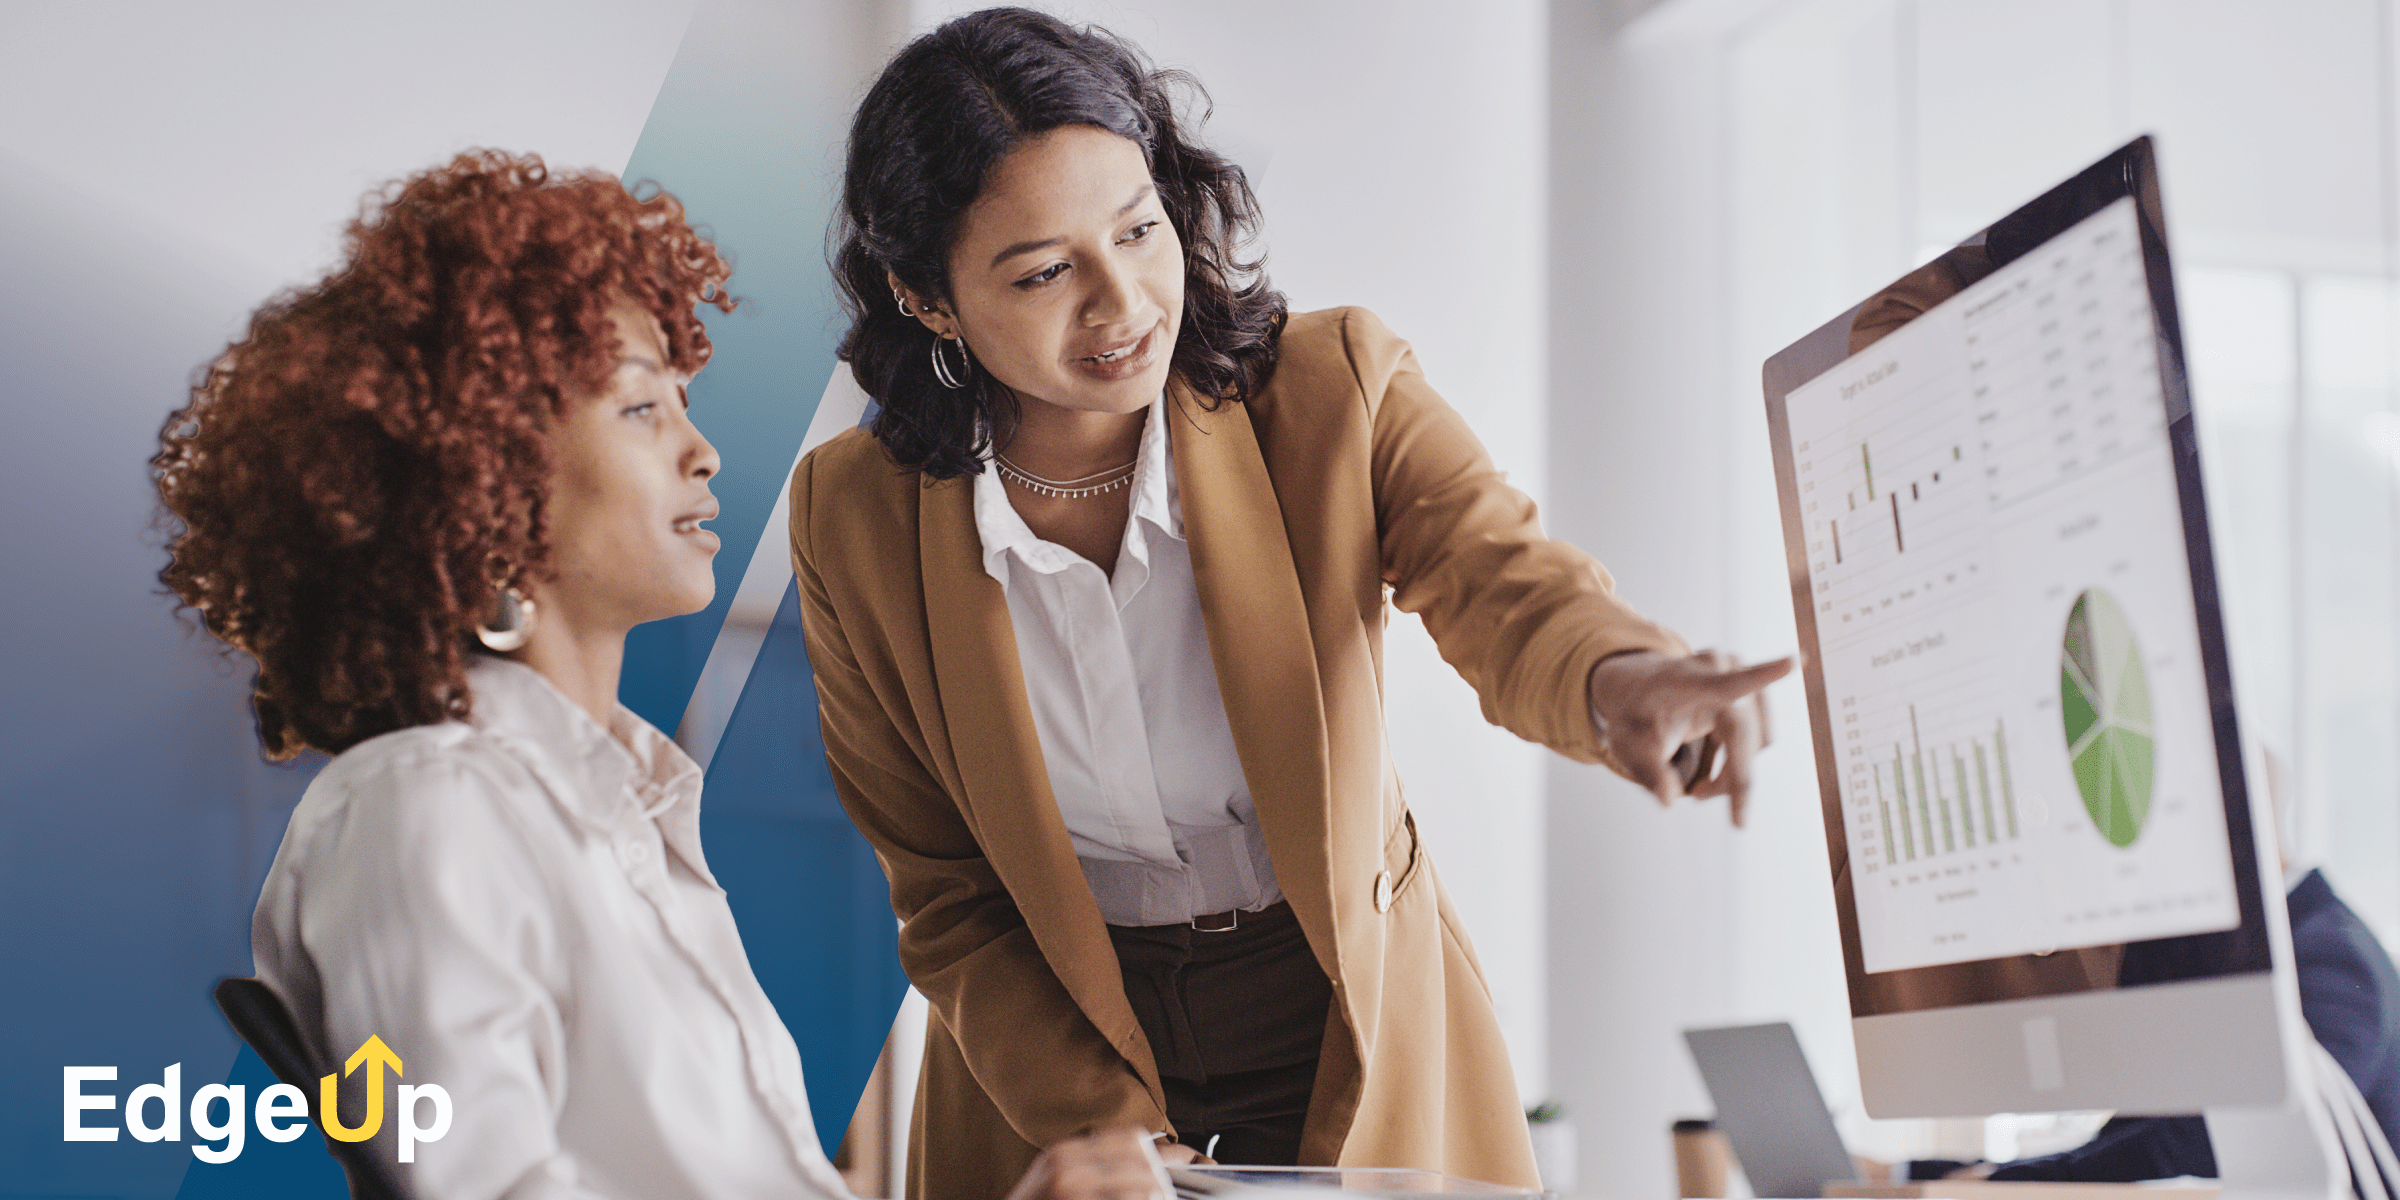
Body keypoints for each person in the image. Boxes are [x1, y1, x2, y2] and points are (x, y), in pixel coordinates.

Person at [788, 9, 1793, 1198]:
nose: (1122, 304)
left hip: (1342, 1015)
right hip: (1048, 1052)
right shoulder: (854, 518)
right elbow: (948, 892)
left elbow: (1499, 575)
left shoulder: (1331, 388)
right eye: (1047, 271)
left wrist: (1616, 676)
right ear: (928, 297)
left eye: (1139, 229)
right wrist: (1107, 1131)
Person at [153, 149, 1169, 1200]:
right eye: (643, 410)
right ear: (482, 481)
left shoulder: (623, 813)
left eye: (684, 400)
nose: (704, 452)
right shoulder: (428, 802)